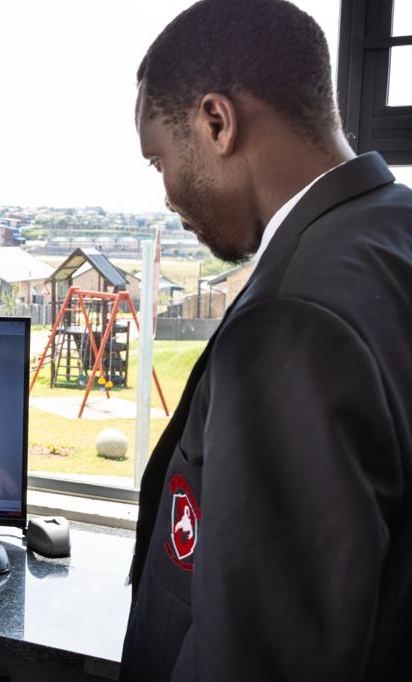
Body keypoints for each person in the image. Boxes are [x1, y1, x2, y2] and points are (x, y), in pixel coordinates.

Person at [123, 0, 412, 679]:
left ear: (217, 123)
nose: (166, 196)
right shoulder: (393, 232)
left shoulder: (290, 320)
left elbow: (264, 656)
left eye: (158, 160)